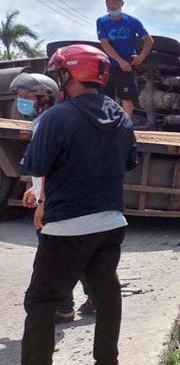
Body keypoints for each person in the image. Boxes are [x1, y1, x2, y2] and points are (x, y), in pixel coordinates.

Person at [20, 44, 138, 365]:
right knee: (107, 296)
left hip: (67, 227)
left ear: (71, 74)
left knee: (42, 302)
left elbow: (36, 164)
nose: (59, 79)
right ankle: (106, 361)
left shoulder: (57, 117)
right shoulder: (121, 118)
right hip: (112, 224)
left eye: (62, 73)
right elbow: (129, 163)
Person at [10, 73, 96, 323]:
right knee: (73, 254)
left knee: (54, 258)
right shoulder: (45, 121)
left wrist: (44, 203)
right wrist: (34, 189)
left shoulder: (48, 122)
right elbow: (47, 167)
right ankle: (96, 296)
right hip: (55, 197)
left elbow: (53, 163)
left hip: (54, 203)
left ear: (44, 98)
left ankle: (64, 307)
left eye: (26, 97)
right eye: (19, 96)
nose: (20, 101)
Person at [97, 0, 153, 118]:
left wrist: (142, 56)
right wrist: (119, 61)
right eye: (108, 2)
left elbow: (148, 40)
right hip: (109, 65)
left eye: (115, 2)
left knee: (127, 98)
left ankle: (126, 126)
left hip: (127, 66)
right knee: (105, 99)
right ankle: (107, 126)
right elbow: (104, 43)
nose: (111, 4)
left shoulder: (132, 21)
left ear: (122, 3)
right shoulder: (101, 21)